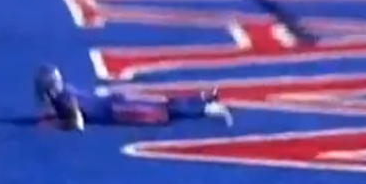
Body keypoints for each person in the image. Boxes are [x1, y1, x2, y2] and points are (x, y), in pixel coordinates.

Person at [34, 64, 233, 131]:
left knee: (161, 113)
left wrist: (57, 125)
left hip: (115, 110)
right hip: (112, 102)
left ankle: (205, 108)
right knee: (163, 106)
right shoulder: (64, 92)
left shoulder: (62, 99)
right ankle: (202, 98)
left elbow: (77, 122)